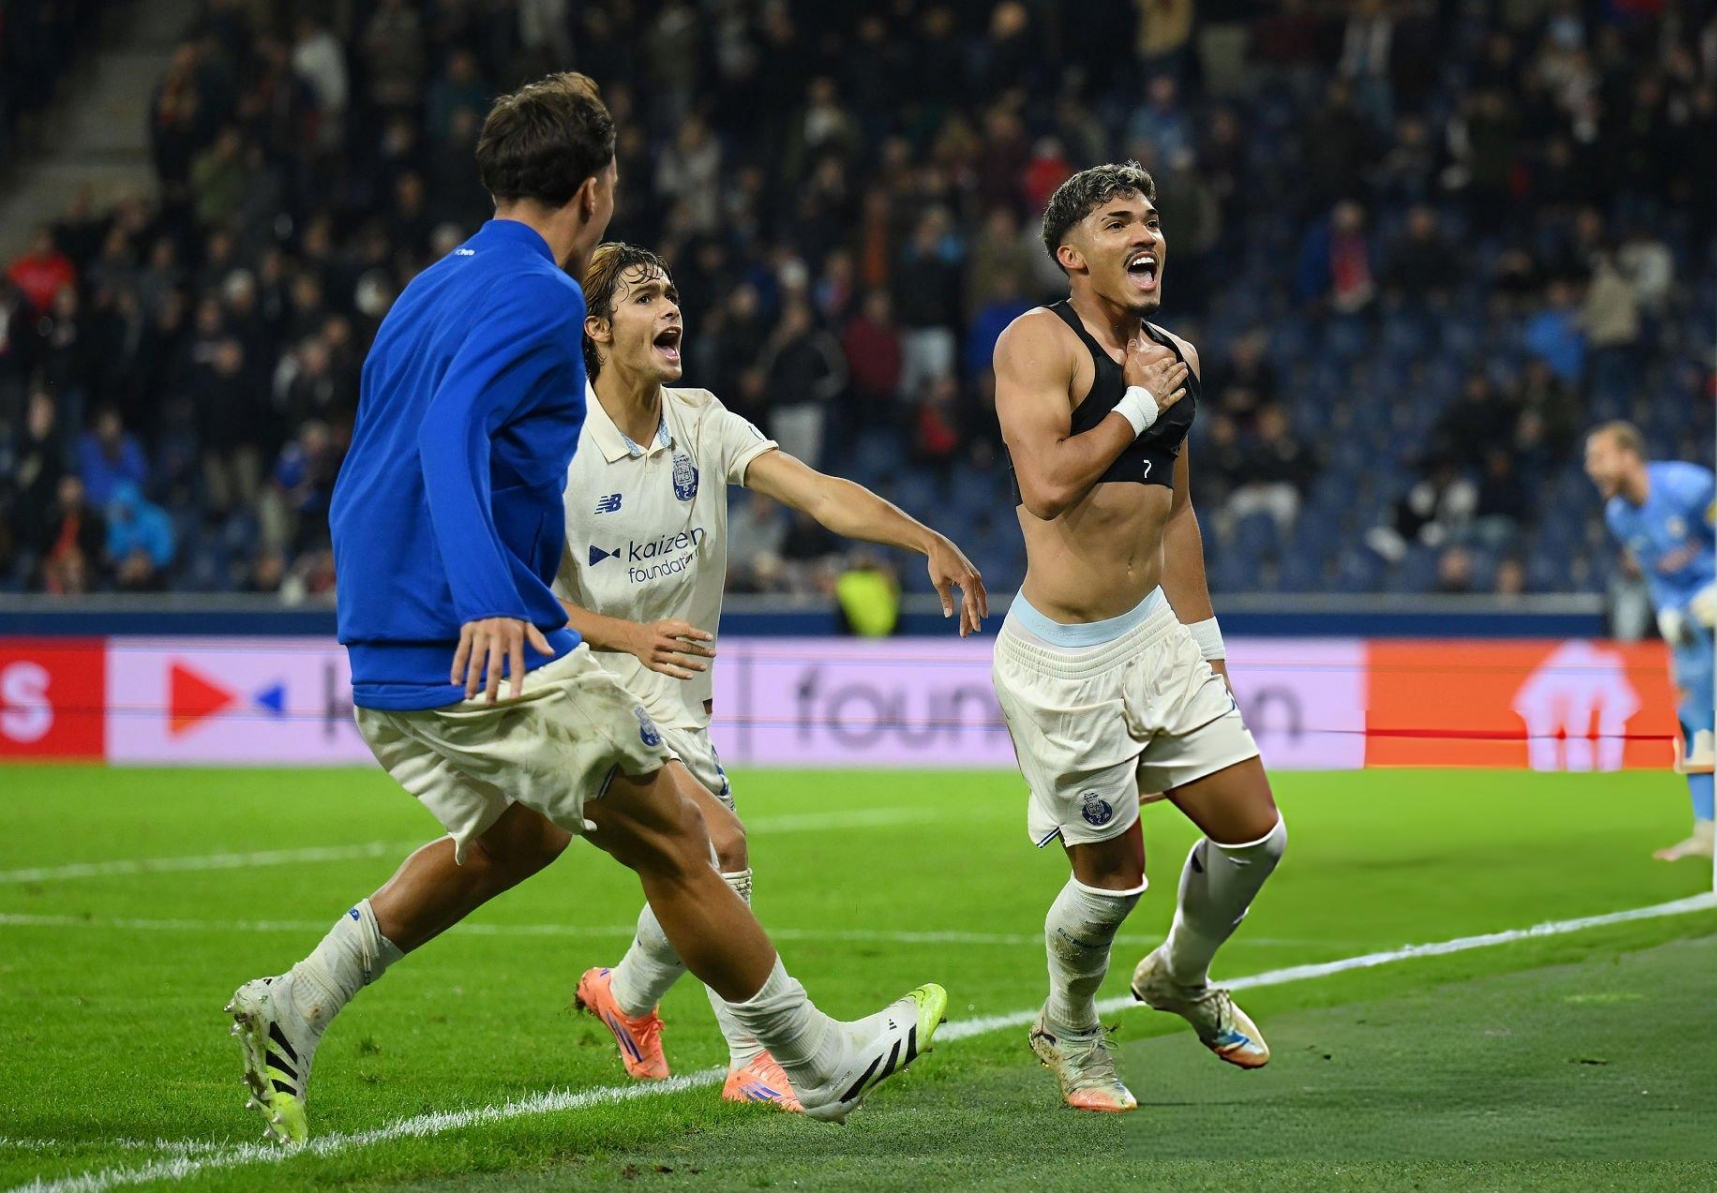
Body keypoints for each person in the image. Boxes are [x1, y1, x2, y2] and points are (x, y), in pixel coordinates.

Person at [225, 74, 945, 1146]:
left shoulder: (427, 288)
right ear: (595, 189)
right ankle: (815, 1059)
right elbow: (448, 432)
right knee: (687, 836)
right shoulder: (544, 294)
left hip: (390, 635)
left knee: (520, 837)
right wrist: (482, 598)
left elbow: (372, 461)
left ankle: (298, 999)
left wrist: (397, 603)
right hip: (476, 632)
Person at [554, 242, 987, 1111]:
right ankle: (753, 1059)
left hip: (676, 700)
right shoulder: (557, 443)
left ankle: (625, 998)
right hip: (581, 691)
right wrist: (628, 635)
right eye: (646, 296)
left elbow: (819, 492)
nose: (671, 307)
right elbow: (516, 601)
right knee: (720, 844)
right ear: (597, 329)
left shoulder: (703, 421)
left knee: (687, 861)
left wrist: (925, 538)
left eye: (673, 293)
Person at [990, 161, 1287, 1113]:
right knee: (1113, 882)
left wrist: (1205, 642)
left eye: (1151, 218)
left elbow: (1178, 513)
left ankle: (1179, 975)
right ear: (1072, 255)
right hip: (1062, 660)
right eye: (1119, 221)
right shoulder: (1037, 342)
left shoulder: (1174, 353)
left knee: (1258, 836)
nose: (1146, 233)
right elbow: (1045, 485)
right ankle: (1069, 1025)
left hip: (1155, 637)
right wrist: (1137, 403)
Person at [1585, 421, 1717, 861]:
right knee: (1693, 717)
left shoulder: (1690, 487)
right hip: (1687, 615)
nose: (1592, 468)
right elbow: (1657, 573)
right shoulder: (1619, 516)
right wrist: (1666, 609)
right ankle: (1707, 828)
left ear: (1629, 456)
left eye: (1600, 457)